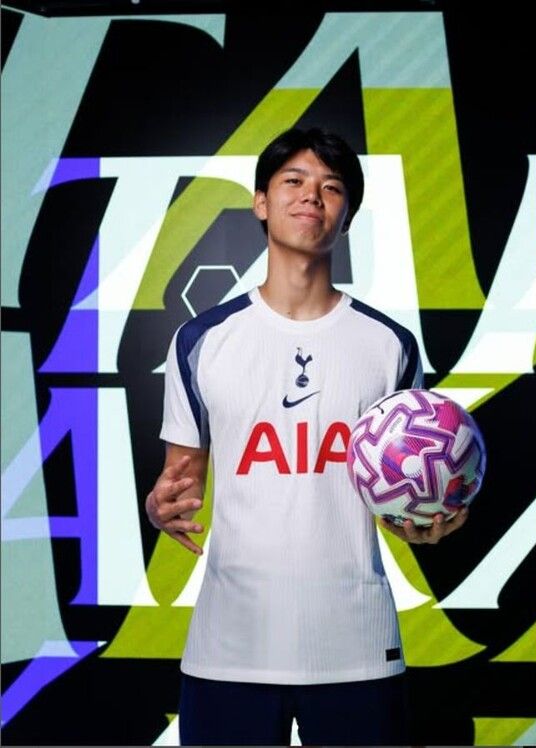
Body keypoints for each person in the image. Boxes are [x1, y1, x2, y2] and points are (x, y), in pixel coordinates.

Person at [145, 127, 468, 746]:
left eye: (332, 187)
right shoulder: (202, 340)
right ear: (261, 202)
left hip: (357, 646)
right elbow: (178, 485)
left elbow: (405, 487)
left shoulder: (390, 345)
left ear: (347, 215)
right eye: (293, 180)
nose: (311, 196)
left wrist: (428, 517)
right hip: (230, 647)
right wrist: (161, 508)